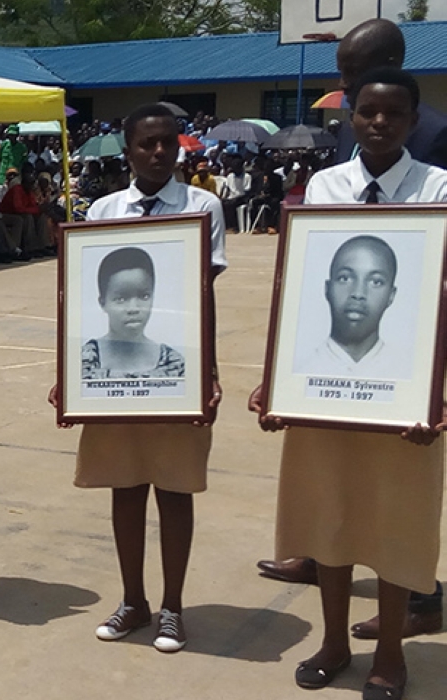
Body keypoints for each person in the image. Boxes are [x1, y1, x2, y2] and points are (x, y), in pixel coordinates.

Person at [249, 68, 447, 700]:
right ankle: (334, 642)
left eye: (393, 113)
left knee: (395, 525)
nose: (379, 122)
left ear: (414, 121)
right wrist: (275, 381)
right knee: (328, 518)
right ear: (351, 118)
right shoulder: (324, 187)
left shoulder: (438, 191)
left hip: (408, 394)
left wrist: (439, 388)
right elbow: (300, 292)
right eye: (367, 112)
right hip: (324, 385)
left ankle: (390, 652)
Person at [49, 102, 226, 653]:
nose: (157, 152)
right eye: (146, 143)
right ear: (126, 151)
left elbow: (204, 296)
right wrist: (71, 371)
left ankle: (172, 606)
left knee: (174, 489)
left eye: (167, 143)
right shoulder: (102, 211)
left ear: (180, 147)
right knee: (124, 487)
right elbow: (80, 300)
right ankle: (134, 599)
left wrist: (209, 370)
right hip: (113, 376)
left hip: (174, 371)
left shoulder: (203, 207)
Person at [334, 19, 447, 170]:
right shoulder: (349, 129)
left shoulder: (435, 134)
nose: (343, 84)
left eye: (352, 71)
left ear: (391, 66)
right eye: (341, 72)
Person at [293, 236, 400, 377]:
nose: (358, 293)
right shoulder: (297, 370)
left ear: (391, 295)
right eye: (345, 278)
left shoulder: (410, 373)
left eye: (376, 282)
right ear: (328, 289)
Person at [82, 247, 185, 380]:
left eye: (144, 296)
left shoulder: (174, 365)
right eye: (121, 299)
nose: (133, 308)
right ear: (102, 303)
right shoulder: (84, 363)